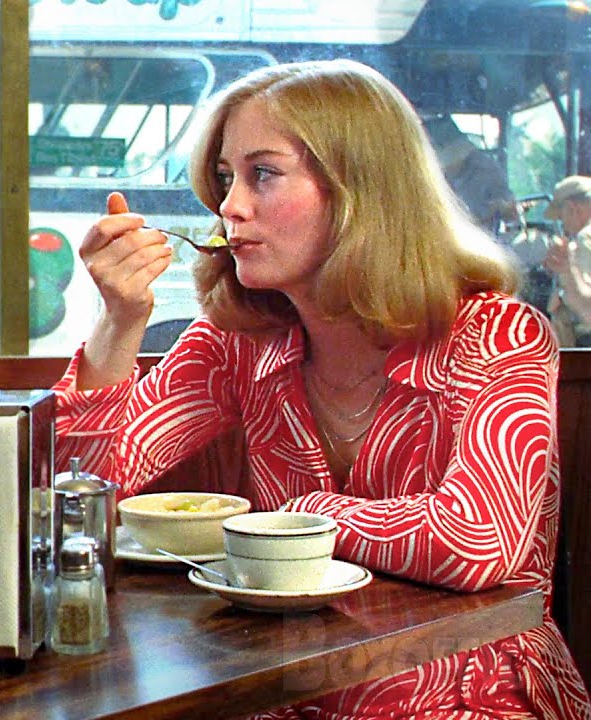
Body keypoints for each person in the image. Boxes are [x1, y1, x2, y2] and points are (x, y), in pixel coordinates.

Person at [55, 59, 590, 719]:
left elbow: (475, 542)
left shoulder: (499, 336)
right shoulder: (237, 340)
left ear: (358, 190)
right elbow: (75, 490)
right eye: (224, 178)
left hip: (470, 695)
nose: (229, 207)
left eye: (263, 174)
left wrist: (300, 516)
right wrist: (119, 322)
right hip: (282, 694)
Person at [543, 175, 591, 346]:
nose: (562, 224)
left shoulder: (584, 239)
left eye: (561, 216)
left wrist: (561, 294)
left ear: (573, 208)